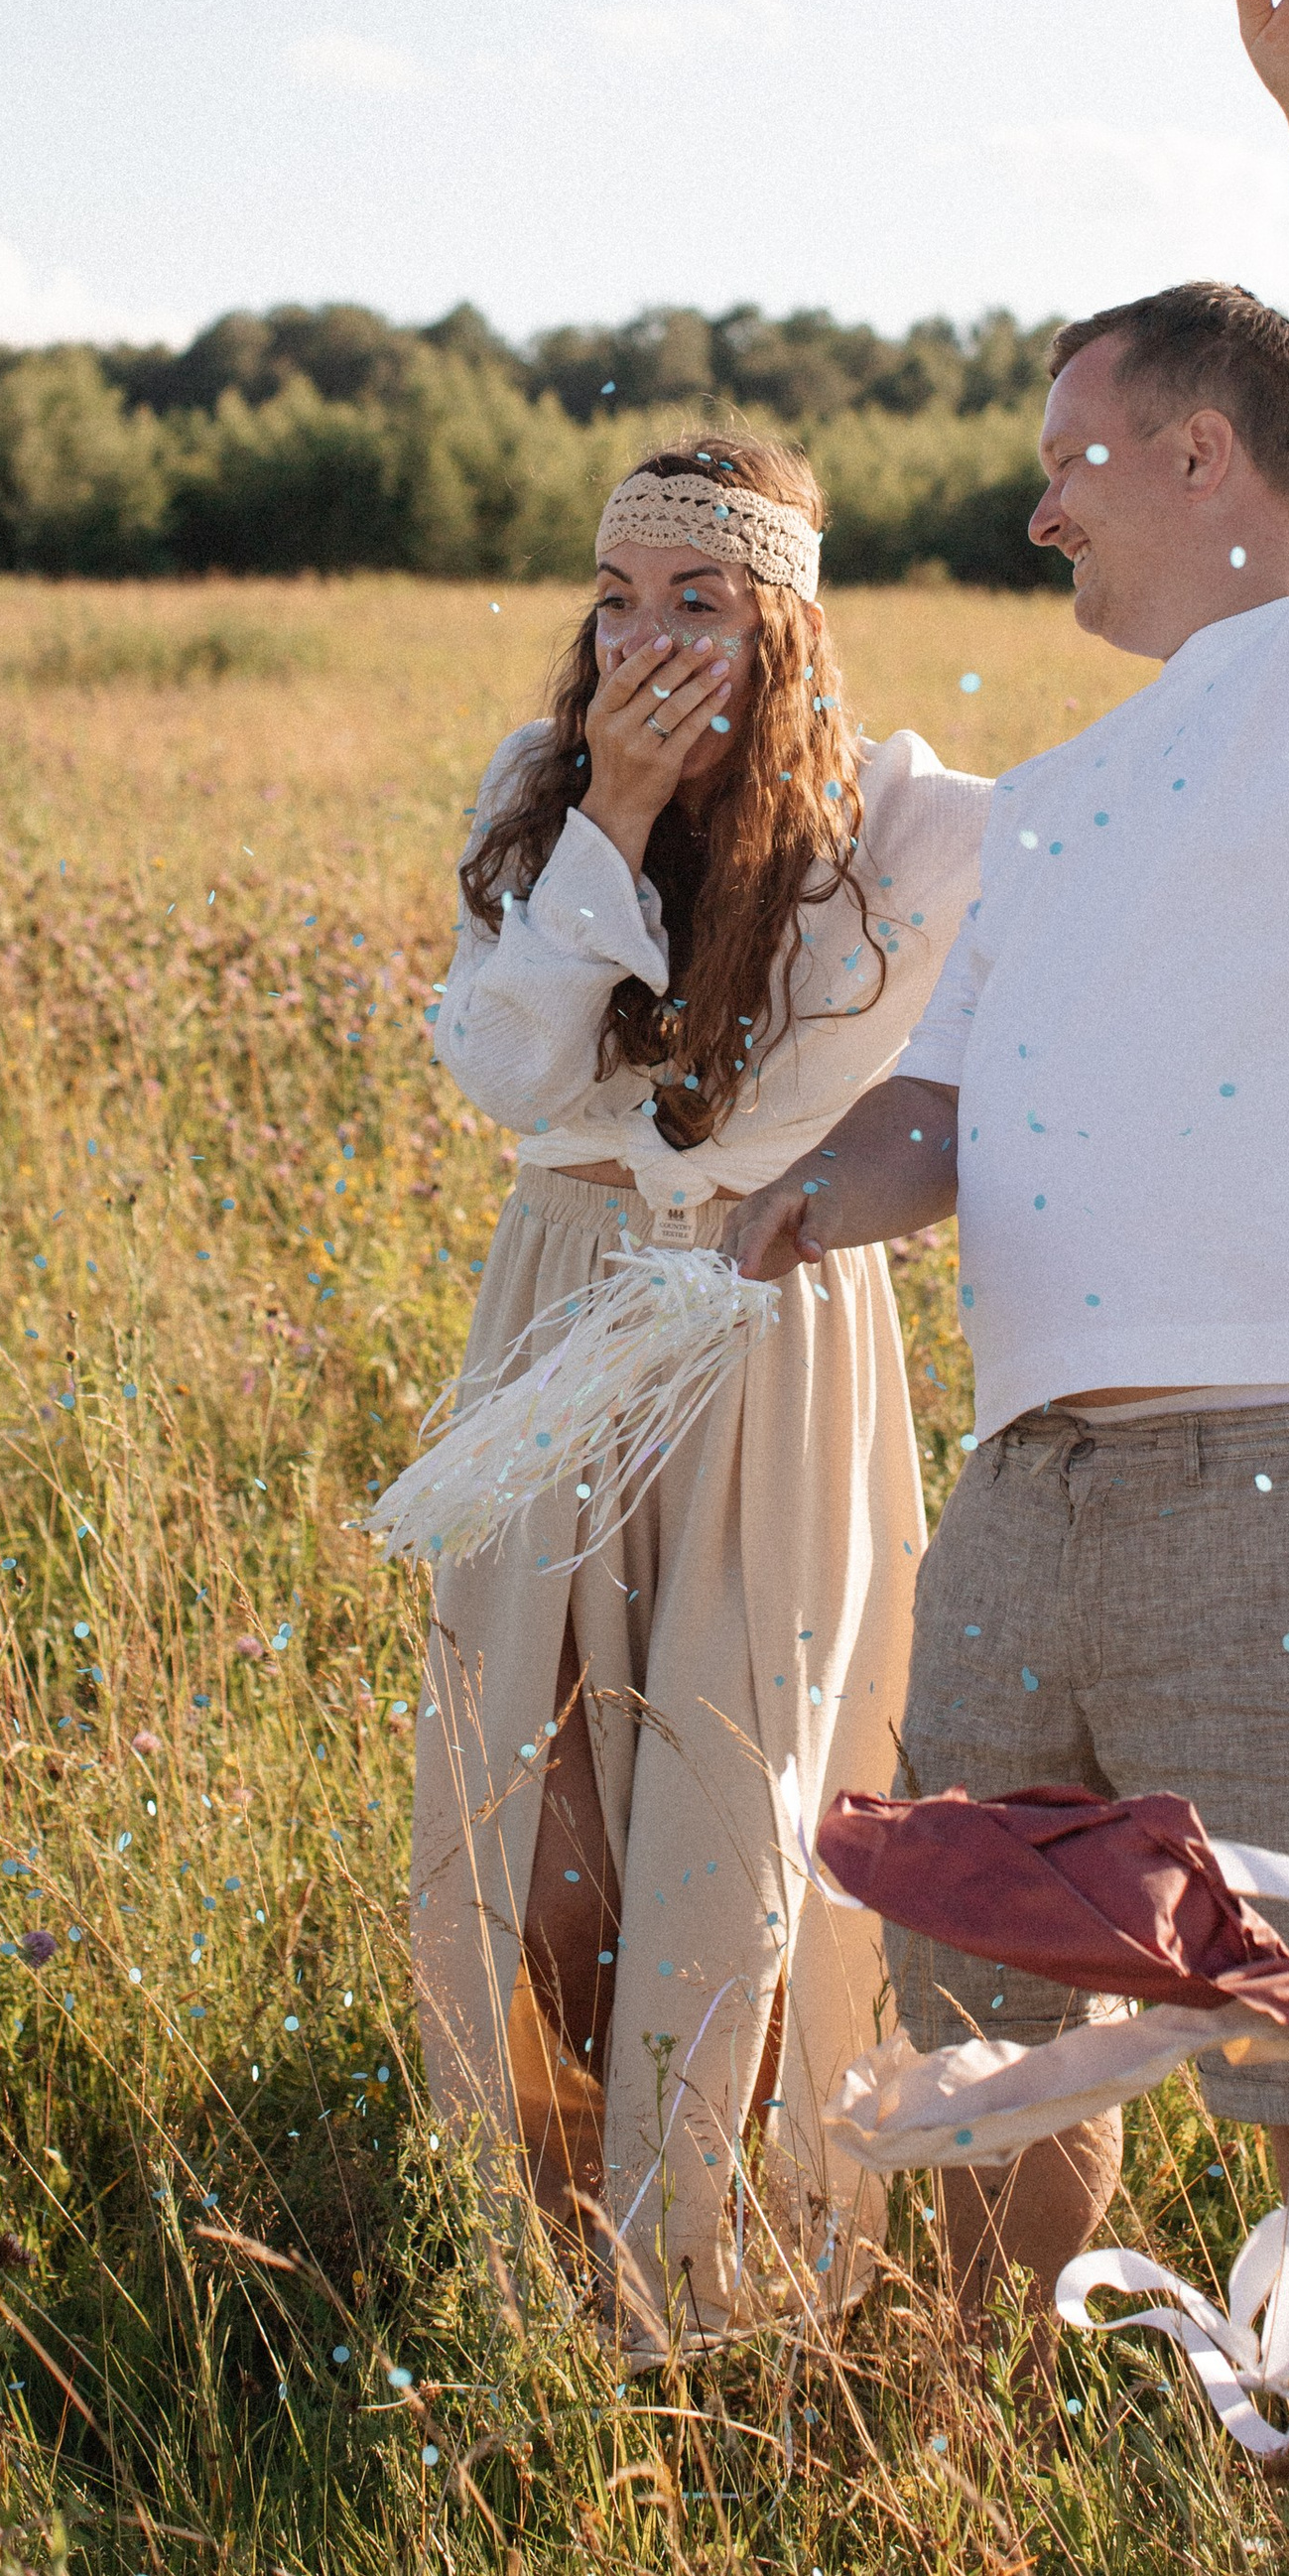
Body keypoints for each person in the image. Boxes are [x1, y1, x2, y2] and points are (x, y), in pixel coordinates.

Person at [734, 0, 1289, 2564]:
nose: (1043, 504)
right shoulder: (1037, 816)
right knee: (981, 2046)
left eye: (1079, 451)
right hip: (1033, 1503)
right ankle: (952, 2508)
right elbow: (931, 1132)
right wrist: (784, 1206)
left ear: (1206, 457)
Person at [412, 434, 996, 2343]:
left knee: (741, 1781)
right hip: (566, 1305)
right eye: (617, 598)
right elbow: (506, 1071)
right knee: (544, 1787)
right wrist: (619, 806)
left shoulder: (896, 824)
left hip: (771, 1315)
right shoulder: (539, 795)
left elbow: (1089, 889)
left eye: (701, 601)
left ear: (789, 625)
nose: (645, 637)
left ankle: (704, 2277)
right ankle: (540, 2246)